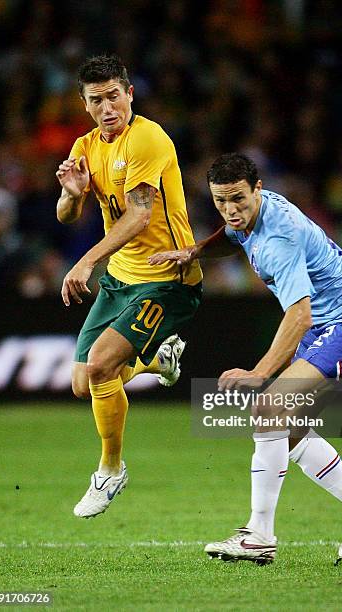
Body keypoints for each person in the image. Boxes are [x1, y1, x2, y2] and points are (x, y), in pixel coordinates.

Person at [149, 153, 342, 565]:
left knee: (268, 407)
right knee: (288, 431)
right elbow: (231, 237)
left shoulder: (276, 242)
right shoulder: (252, 214)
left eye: (238, 200)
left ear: (258, 189)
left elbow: (298, 315)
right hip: (335, 322)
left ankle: (259, 535)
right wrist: (194, 251)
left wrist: (260, 372)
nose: (230, 210)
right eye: (220, 201)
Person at [56, 55, 202, 519]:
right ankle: (159, 359)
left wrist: (85, 262)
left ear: (130, 94)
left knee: (100, 365)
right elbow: (65, 215)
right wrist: (72, 195)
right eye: (96, 100)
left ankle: (110, 470)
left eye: (113, 96)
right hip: (121, 278)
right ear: (85, 105)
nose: (107, 107)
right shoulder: (85, 146)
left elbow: (139, 216)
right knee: (85, 384)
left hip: (167, 279)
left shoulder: (149, 138)